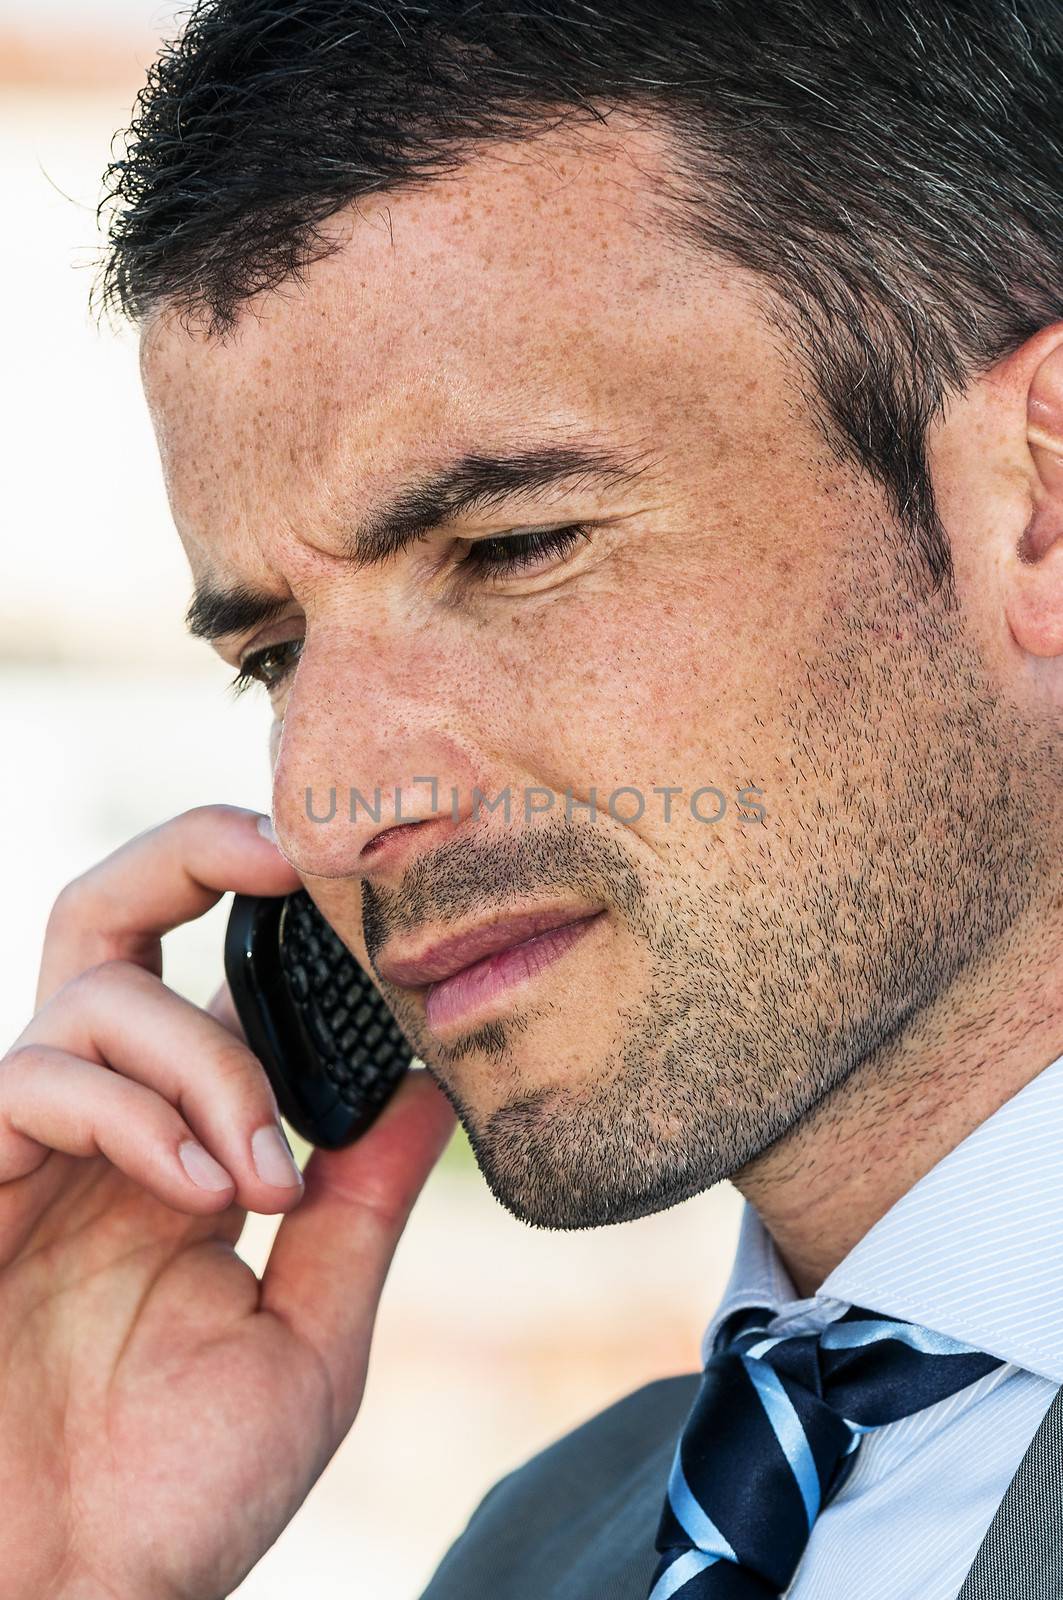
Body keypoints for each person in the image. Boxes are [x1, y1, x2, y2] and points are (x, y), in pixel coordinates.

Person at [3, 0, 1061, 1595]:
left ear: (1036, 499)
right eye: (273, 655)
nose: (335, 804)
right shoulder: (539, 1547)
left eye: (512, 548)